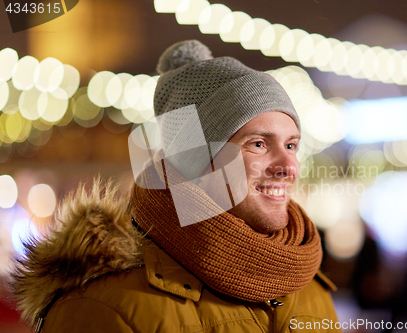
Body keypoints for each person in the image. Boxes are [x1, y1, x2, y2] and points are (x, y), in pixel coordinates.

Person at [11, 40, 341, 332]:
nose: (288, 167)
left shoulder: (310, 291)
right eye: (257, 144)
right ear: (193, 163)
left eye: (291, 145)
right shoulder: (102, 308)